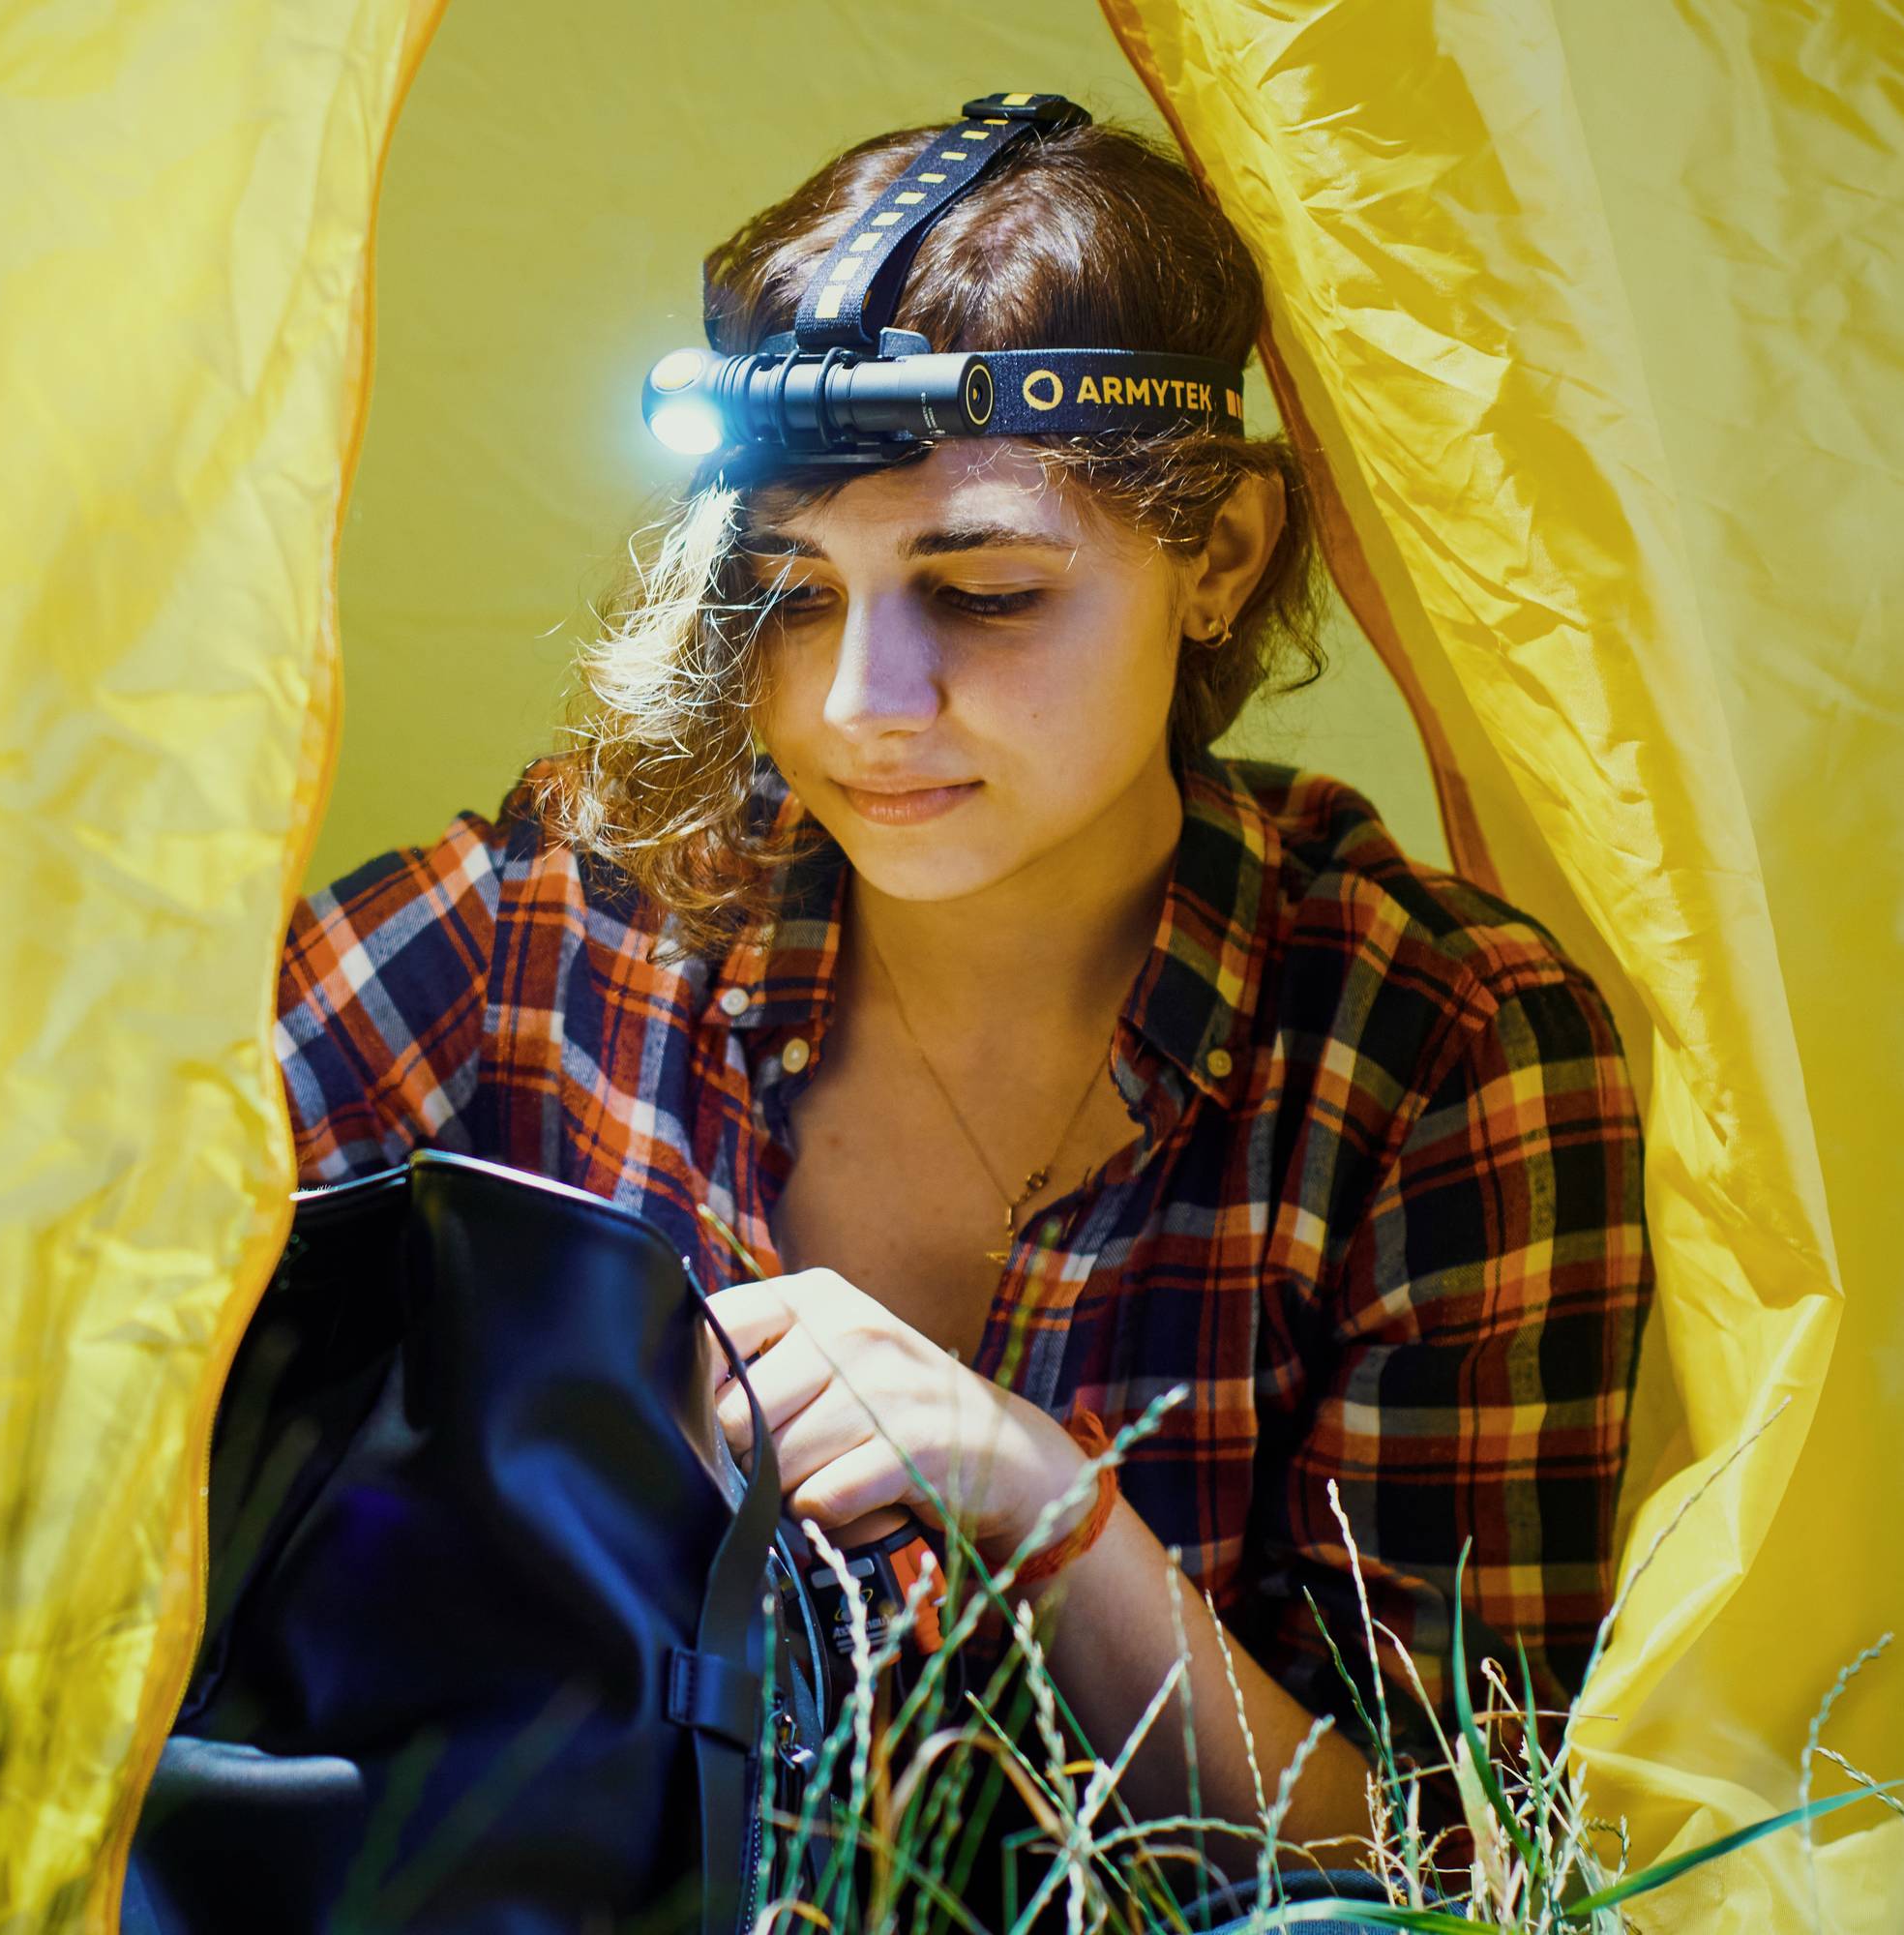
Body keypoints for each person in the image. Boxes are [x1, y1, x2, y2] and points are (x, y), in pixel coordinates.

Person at [272, 109, 1651, 1912]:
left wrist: (1042, 1504)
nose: (862, 704)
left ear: (1222, 551)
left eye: (982, 592)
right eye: (786, 594)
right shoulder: (583, 900)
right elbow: (72, 1229)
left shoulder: (1448, 1050)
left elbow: (1465, 1874)